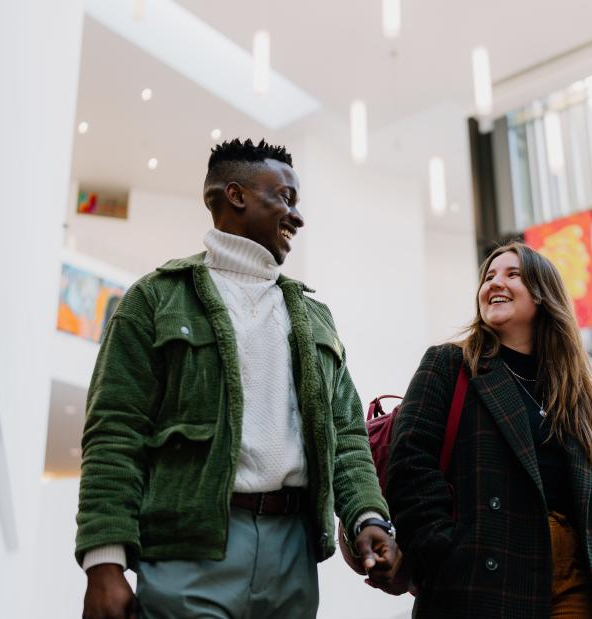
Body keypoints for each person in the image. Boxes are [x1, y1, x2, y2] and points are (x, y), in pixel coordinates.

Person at [76, 138, 398, 619]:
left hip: (293, 554)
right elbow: (115, 432)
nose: (297, 217)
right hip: (188, 548)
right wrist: (104, 563)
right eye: (285, 198)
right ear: (235, 195)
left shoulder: (315, 317)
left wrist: (368, 516)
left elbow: (347, 435)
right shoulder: (154, 300)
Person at [386, 242, 592, 618]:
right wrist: (444, 551)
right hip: (487, 571)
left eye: (512, 274)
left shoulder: (579, 391)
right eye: (488, 276)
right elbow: (410, 461)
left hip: (580, 575)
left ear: (541, 294)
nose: (494, 283)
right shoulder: (450, 364)